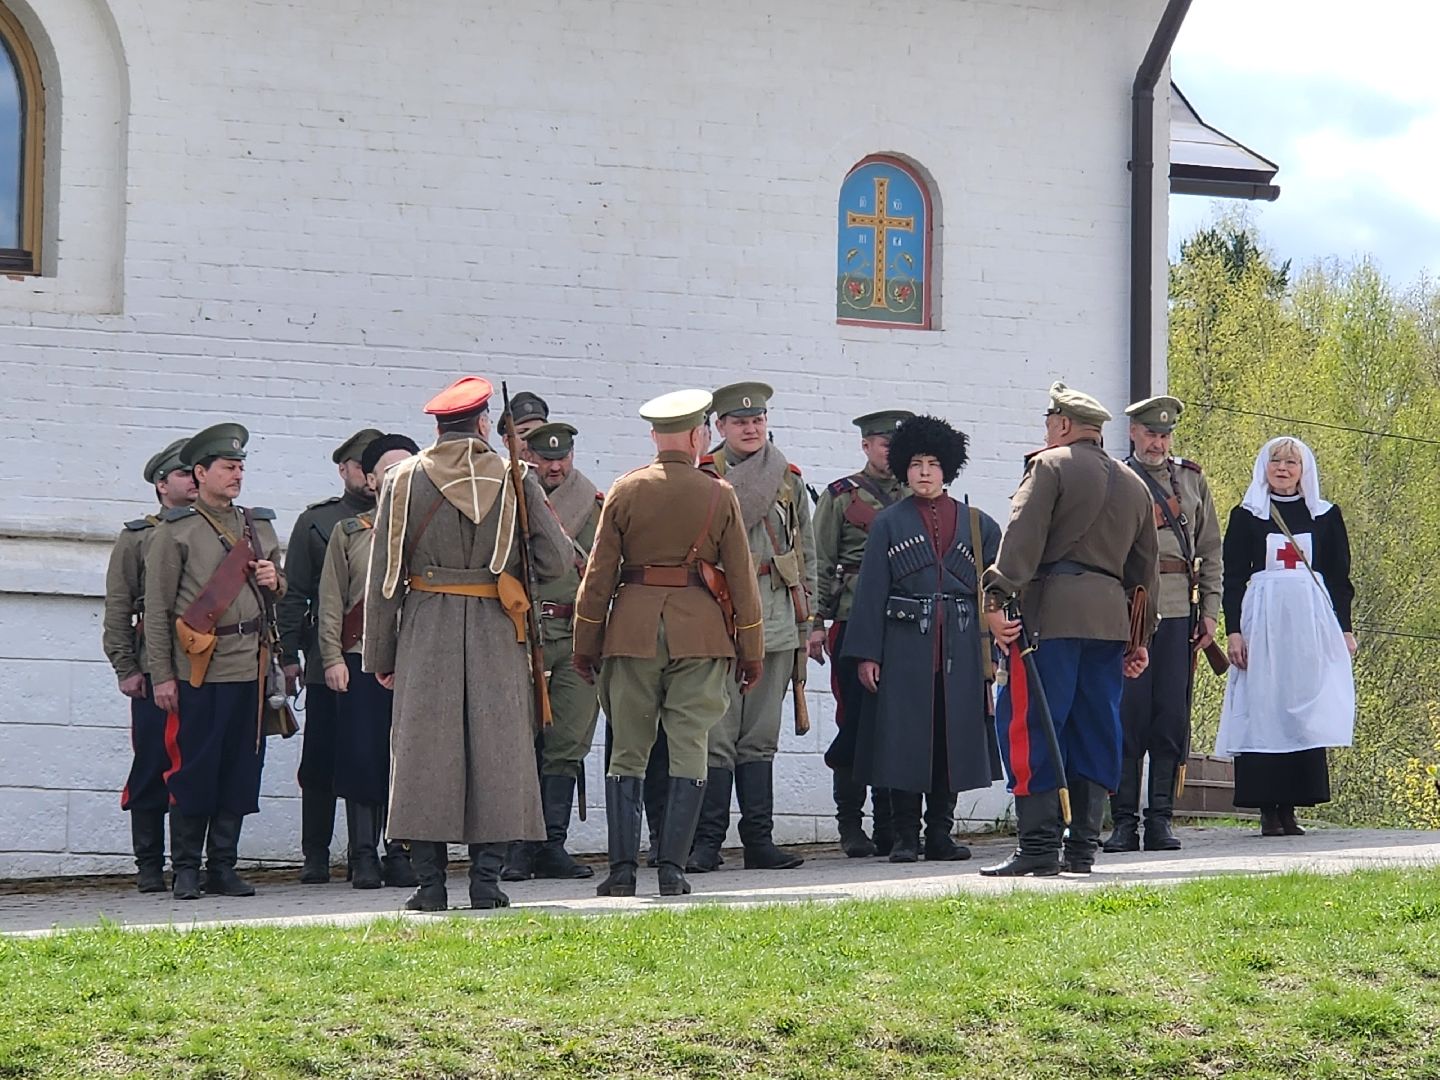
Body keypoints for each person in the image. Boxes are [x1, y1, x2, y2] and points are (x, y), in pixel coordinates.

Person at [362, 376, 570, 911]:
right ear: (482, 424)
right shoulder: (515, 477)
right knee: (498, 750)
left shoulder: (403, 480)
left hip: (426, 626)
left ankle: (430, 885)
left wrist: (380, 655)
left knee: (421, 753)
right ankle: (486, 881)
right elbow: (556, 561)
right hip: (497, 626)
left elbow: (384, 574)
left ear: (437, 426)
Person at [571, 389, 765, 897]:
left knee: (627, 753)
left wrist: (585, 643)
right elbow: (742, 580)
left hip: (632, 630)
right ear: (701, 435)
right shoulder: (719, 493)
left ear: (655, 437)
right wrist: (752, 650)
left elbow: (598, 576)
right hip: (699, 632)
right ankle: (673, 871)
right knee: (689, 747)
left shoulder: (625, 490)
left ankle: (620, 872)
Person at [980, 383, 1158, 878]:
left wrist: (995, 600)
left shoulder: (1049, 466)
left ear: (1061, 425)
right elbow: (1146, 573)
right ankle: (1082, 847)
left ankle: (1038, 846)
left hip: (1049, 615)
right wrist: (1138, 638)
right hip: (1108, 623)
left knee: (1030, 722)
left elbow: (1021, 538)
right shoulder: (1134, 484)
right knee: (1095, 726)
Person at [842, 415, 1003, 862]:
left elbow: (997, 595)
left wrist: (996, 653)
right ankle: (906, 838)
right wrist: (867, 655)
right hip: (903, 647)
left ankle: (940, 835)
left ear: (948, 467)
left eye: (933, 462)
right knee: (903, 741)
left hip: (962, 648)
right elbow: (871, 592)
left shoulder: (980, 525)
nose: (925, 472)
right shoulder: (888, 524)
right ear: (903, 468)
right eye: (916, 463)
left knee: (949, 742)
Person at [144, 423, 286, 900]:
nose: (237, 474)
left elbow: (280, 593)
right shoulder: (176, 532)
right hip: (198, 673)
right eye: (228, 467)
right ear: (200, 473)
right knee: (193, 769)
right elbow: (159, 611)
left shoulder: (257, 526)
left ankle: (222, 865)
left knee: (241, 770)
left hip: (253, 668)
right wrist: (162, 676)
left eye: (241, 467)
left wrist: (275, 579)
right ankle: (185, 867)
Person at [689, 382, 816, 873]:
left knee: (760, 737)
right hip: (719, 619)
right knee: (716, 737)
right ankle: (708, 843)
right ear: (718, 428)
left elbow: (806, 556)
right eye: (739, 422)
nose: (750, 428)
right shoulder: (704, 478)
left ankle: (758, 841)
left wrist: (811, 621)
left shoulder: (788, 478)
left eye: (757, 420)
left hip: (778, 619)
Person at [1216, 436, 1356, 836]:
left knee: (1302, 707)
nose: (1282, 468)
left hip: (1310, 626)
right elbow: (1233, 578)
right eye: (1275, 460)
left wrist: (1344, 629)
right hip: (1262, 624)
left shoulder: (1325, 516)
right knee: (1263, 707)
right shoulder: (1247, 516)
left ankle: (1292, 806)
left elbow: (1339, 579)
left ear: (1304, 470)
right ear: (1264, 467)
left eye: (1291, 462)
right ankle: (1266, 808)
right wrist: (1235, 632)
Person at [1103, 396, 1223, 853]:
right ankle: (1122, 822)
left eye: (1165, 434)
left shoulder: (1191, 480)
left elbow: (1210, 551)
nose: (1158, 441)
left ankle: (1160, 820)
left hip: (1178, 613)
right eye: (1150, 433)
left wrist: (1209, 611)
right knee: (1127, 718)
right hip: (1129, 613)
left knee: (1171, 718)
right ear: (1133, 432)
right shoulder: (1115, 479)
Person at [499, 421, 605, 882]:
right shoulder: (509, 502)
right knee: (519, 743)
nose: (556, 465)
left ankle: (551, 845)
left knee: (567, 743)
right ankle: (516, 846)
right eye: (546, 458)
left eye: (563, 457)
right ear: (529, 459)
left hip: (575, 632)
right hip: (522, 634)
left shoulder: (594, 505)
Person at [277, 427, 383, 884]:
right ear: (343, 469)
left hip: (377, 661)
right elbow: (294, 593)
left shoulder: (401, 517)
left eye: (373, 466)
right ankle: (315, 855)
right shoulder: (317, 522)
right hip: (327, 661)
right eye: (360, 466)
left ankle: (373, 852)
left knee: (374, 758)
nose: (367, 475)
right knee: (320, 762)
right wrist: (289, 654)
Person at [316, 433, 421, 890]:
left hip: (417, 664)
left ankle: (401, 852)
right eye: (388, 470)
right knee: (363, 758)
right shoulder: (350, 532)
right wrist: (332, 657)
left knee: (409, 761)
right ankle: (363, 855)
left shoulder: (429, 530)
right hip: (360, 662)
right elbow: (331, 601)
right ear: (372, 479)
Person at [812, 409, 913, 857]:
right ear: (866, 446)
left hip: (909, 623)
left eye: (895, 444)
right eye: (881, 443)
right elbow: (818, 560)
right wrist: (815, 622)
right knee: (853, 721)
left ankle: (891, 823)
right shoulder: (840, 496)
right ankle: (851, 825)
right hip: (853, 619)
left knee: (897, 725)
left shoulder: (920, 494)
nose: (888, 451)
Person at [102, 437, 197, 892]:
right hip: (153, 668)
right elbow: (119, 608)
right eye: (183, 474)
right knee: (153, 761)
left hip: (207, 667)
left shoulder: (218, 530)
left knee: (196, 762)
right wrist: (126, 667)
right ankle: (148, 864)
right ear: (161, 484)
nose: (192, 480)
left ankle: (191, 864)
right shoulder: (137, 536)